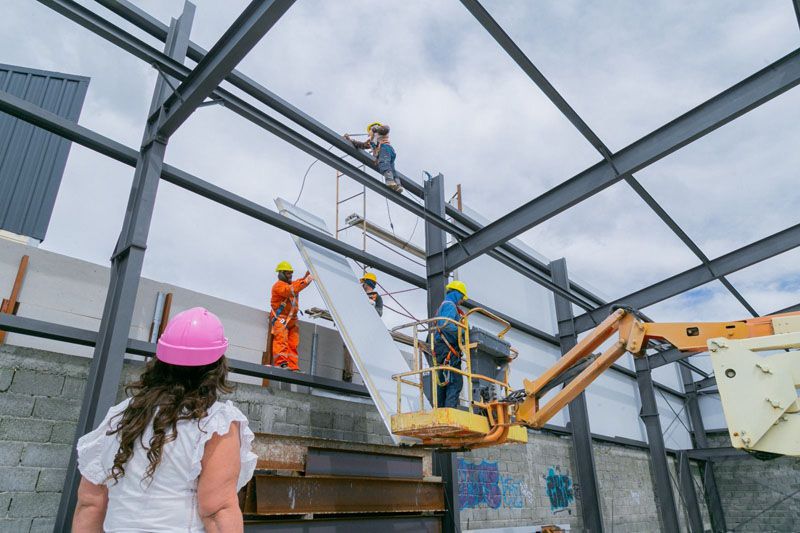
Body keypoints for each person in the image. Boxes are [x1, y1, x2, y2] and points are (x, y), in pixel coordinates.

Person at [73, 307, 257, 532]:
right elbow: (218, 511)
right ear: (217, 368)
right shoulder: (215, 423)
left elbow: (90, 503)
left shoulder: (121, 415)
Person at [432, 280, 468, 409]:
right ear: (457, 294)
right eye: (462, 297)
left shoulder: (444, 305)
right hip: (448, 349)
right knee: (455, 382)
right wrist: (463, 332)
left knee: (443, 383)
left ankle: (440, 411)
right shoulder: (449, 306)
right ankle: (449, 411)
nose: (462, 301)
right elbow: (444, 325)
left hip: (442, 348)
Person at [271, 261, 313, 371]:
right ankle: (281, 364)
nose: (290, 275)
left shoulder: (291, 284)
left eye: (291, 273)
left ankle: (293, 366)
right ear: (281, 273)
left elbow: (298, 283)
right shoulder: (279, 286)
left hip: (292, 320)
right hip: (281, 318)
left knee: (293, 344)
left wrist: (308, 274)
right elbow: (290, 290)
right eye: (288, 273)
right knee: (281, 341)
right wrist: (305, 281)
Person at [345, 121, 403, 192]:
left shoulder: (380, 133)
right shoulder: (371, 141)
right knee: (391, 168)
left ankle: (390, 180)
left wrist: (375, 129)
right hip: (388, 152)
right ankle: (398, 184)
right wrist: (349, 139)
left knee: (384, 163)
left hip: (385, 148)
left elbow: (386, 128)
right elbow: (362, 145)